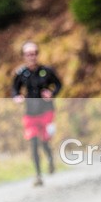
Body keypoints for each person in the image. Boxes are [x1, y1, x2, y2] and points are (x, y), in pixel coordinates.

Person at [11, 41, 62, 187]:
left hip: (46, 111)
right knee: (33, 143)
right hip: (30, 112)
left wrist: (52, 93)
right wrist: (17, 97)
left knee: (44, 140)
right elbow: (14, 89)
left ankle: (50, 159)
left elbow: (58, 84)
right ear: (23, 56)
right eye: (28, 54)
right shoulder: (21, 73)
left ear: (37, 55)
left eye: (33, 54)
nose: (31, 57)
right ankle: (38, 175)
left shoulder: (46, 71)